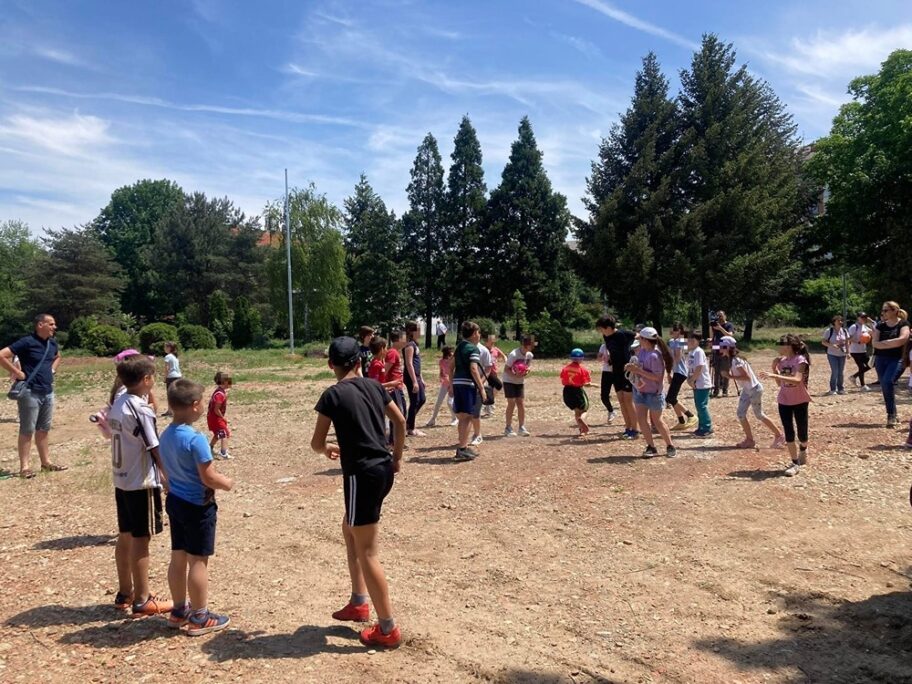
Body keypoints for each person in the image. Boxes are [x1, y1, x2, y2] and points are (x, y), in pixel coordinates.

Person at [311, 336, 405, 649]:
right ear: (359, 361)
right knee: (349, 527)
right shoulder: (376, 386)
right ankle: (358, 602)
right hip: (381, 470)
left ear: (331, 365)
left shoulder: (332, 395)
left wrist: (326, 449)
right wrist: (397, 457)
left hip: (360, 475)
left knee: (367, 551)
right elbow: (400, 422)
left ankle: (387, 627)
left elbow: (316, 442)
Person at [160, 378, 234, 635]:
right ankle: (200, 616)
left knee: (178, 557)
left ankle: (179, 610)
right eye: (202, 402)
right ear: (194, 406)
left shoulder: (166, 434)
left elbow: (165, 470)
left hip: (176, 502)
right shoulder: (196, 439)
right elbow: (208, 477)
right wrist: (226, 483)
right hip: (197, 505)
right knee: (198, 561)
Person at [108, 355, 173, 617]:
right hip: (140, 481)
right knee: (141, 539)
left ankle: (126, 592)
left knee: (126, 534)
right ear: (146, 380)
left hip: (121, 480)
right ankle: (143, 598)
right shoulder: (139, 408)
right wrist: (167, 476)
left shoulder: (118, 402)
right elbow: (153, 444)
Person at [0, 313, 67, 479]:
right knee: (27, 430)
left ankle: (46, 463)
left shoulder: (52, 343)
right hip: (30, 392)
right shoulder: (27, 342)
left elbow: (58, 356)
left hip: (48, 391)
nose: (54, 327)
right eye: (51, 324)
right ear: (40, 325)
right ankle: (25, 467)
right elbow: (1, 354)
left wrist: (52, 369)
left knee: (43, 429)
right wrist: (16, 372)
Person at [760, 335, 812, 477]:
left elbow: (796, 380)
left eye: (780, 344)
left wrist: (774, 375)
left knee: (802, 433)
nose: (778, 347)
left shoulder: (800, 360)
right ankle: (794, 463)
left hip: (800, 400)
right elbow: (780, 384)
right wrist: (774, 368)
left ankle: (803, 448)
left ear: (789, 346)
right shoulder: (782, 361)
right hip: (784, 400)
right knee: (789, 431)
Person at [719, 336, 784, 449]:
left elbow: (746, 377)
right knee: (741, 414)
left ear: (728, 348)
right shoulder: (734, 359)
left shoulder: (736, 360)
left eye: (722, 347)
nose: (720, 349)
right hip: (748, 390)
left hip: (754, 389)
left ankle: (779, 435)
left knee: (759, 415)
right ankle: (749, 440)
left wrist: (729, 376)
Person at [625, 327, 677, 458]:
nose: (638, 341)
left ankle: (670, 445)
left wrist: (638, 371)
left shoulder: (655, 356)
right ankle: (651, 447)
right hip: (640, 391)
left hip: (653, 393)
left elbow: (657, 377)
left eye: (640, 338)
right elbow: (640, 367)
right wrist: (632, 367)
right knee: (642, 419)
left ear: (645, 340)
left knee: (657, 421)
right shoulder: (642, 351)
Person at [450, 321, 487, 461]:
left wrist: (452, 383)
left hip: (458, 383)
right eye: (478, 332)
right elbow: (473, 369)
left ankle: (463, 446)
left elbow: (450, 366)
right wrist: (482, 389)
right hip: (467, 385)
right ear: (473, 335)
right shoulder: (473, 349)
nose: (479, 335)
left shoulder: (459, 347)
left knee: (461, 417)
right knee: (467, 417)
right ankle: (461, 449)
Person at [597, 316, 638, 439]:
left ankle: (635, 430)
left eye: (602, 329)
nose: (601, 332)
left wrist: (635, 354)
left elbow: (639, 336)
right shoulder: (606, 336)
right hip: (615, 371)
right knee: (621, 400)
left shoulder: (623, 334)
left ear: (609, 327)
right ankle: (628, 427)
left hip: (626, 371)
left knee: (628, 401)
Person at [871, 301, 910, 428]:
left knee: (888, 381)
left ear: (894, 310)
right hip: (881, 360)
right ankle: (892, 413)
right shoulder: (880, 326)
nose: (883, 313)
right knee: (885, 385)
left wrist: (884, 343)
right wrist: (889, 343)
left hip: (896, 359)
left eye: (886, 310)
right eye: (882, 310)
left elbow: (902, 340)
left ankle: (891, 414)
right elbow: (874, 343)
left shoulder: (903, 324)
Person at [502, 335, 536, 438]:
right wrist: (515, 375)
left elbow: (528, 365)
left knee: (520, 403)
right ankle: (508, 427)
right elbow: (506, 369)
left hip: (520, 382)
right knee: (511, 402)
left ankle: (521, 427)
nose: (532, 347)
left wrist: (527, 370)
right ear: (525, 345)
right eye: (531, 345)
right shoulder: (514, 354)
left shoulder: (529, 355)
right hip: (509, 380)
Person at [666, 323, 696, 431]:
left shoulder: (680, 341)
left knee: (670, 398)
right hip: (677, 372)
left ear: (679, 331)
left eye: (674, 329)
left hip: (680, 372)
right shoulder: (674, 341)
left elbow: (677, 359)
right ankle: (681, 421)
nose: (672, 331)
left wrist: (668, 354)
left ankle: (690, 416)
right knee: (671, 397)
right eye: (672, 329)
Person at [560, 349, 594, 437]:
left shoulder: (565, 368)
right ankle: (582, 419)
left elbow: (563, 379)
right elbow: (586, 384)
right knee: (584, 410)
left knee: (576, 410)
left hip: (567, 391)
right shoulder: (583, 370)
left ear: (571, 358)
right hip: (577, 391)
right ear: (582, 358)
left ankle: (582, 430)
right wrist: (592, 385)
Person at [686, 331, 713, 437]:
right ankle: (701, 426)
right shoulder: (691, 352)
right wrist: (689, 379)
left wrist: (692, 379)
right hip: (696, 383)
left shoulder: (698, 352)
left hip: (702, 383)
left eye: (693, 340)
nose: (690, 342)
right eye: (689, 340)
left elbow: (699, 367)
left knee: (702, 406)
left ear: (698, 341)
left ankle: (707, 427)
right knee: (698, 405)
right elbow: (690, 367)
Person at [402, 321, 427, 437]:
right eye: (419, 330)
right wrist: (414, 381)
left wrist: (420, 378)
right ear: (412, 331)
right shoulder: (409, 345)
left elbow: (418, 364)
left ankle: (407, 424)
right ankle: (410, 428)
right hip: (411, 377)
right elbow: (409, 364)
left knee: (422, 399)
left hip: (416, 376)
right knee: (415, 401)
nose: (421, 332)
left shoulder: (415, 344)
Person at [384, 331, 408, 441]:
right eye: (404, 338)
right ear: (398, 340)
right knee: (399, 414)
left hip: (397, 387)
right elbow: (385, 371)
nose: (406, 340)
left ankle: (395, 439)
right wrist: (388, 385)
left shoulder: (396, 352)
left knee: (401, 413)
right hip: (394, 388)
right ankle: (393, 441)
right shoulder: (393, 352)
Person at [425, 346, 457, 427]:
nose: (452, 355)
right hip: (445, 384)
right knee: (438, 403)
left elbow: (455, 374)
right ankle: (433, 419)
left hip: (453, 385)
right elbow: (441, 372)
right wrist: (442, 378)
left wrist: (451, 385)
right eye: (451, 354)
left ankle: (455, 418)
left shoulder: (454, 362)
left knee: (450, 403)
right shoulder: (442, 362)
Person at [207, 372, 233, 459]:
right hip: (215, 417)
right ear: (224, 382)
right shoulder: (220, 394)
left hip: (213, 417)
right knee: (224, 434)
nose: (230, 383)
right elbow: (216, 409)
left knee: (218, 433)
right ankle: (223, 452)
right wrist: (223, 418)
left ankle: (209, 448)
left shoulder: (220, 391)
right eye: (229, 381)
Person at [821, 316, 849, 395]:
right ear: (834, 322)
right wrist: (832, 345)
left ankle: (840, 388)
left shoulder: (844, 331)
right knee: (835, 371)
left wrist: (848, 352)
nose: (840, 322)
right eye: (838, 320)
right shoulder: (829, 331)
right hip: (832, 354)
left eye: (841, 321)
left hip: (842, 354)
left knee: (841, 372)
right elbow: (823, 342)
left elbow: (847, 342)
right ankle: (833, 389)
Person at [710, 311, 735, 398]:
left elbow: (730, 335)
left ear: (725, 316)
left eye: (721, 316)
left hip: (726, 349)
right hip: (717, 348)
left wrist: (720, 328)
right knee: (716, 370)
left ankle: (725, 390)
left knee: (725, 369)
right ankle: (716, 390)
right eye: (718, 316)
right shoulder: (715, 326)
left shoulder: (729, 325)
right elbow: (712, 337)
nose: (720, 317)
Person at [847, 312, 873, 391]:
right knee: (861, 367)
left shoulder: (864, 326)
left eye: (865, 317)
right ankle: (863, 385)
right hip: (855, 350)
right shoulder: (854, 327)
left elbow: (873, 332)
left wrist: (871, 322)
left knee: (870, 365)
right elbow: (848, 338)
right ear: (858, 318)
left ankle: (854, 377)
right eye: (862, 317)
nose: (864, 319)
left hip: (863, 350)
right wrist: (858, 342)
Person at [481, 334, 504, 419]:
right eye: (490, 341)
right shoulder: (483, 350)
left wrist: (505, 359)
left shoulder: (495, 349)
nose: (492, 343)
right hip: (487, 372)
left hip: (494, 372)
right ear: (486, 341)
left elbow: (503, 356)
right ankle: (489, 403)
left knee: (490, 389)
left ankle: (488, 405)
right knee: (499, 385)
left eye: (493, 341)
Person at [596, 341, 617, 424]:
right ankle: (611, 411)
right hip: (606, 372)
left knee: (623, 396)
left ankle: (630, 416)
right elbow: (598, 358)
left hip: (617, 372)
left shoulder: (618, 344)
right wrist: (601, 357)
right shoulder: (603, 346)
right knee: (604, 396)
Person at [162, 341, 182, 417]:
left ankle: (171, 411)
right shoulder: (175, 356)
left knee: (170, 394)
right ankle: (172, 410)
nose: (164, 348)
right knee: (176, 394)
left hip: (171, 377)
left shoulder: (168, 356)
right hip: (178, 376)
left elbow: (167, 368)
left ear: (169, 348)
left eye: (165, 347)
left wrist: (165, 377)